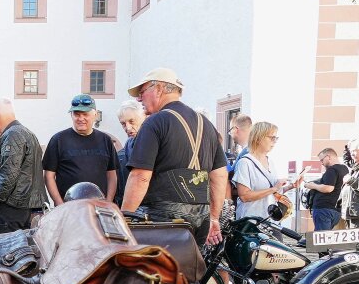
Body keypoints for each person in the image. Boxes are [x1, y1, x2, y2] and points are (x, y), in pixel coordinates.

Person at [123, 68, 228, 246]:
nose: (139, 99)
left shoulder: (155, 122)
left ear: (158, 89)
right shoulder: (207, 125)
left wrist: (123, 219)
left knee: (151, 273)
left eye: (142, 92)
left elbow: (140, 177)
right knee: (190, 273)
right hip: (200, 220)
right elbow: (219, 176)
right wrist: (214, 218)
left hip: (162, 221)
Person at [0, 98, 45, 234]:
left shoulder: (13, 134)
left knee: (2, 253)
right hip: (22, 209)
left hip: (9, 212)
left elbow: (8, 174)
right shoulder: (26, 133)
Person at [43, 94, 119, 204]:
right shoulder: (58, 140)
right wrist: (60, 204)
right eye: (77, 114)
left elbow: (112, 175)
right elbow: (49, 176)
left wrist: (108, 202)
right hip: (69, 208)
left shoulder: (106, 140)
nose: (81, 118)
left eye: (85, 114)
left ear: (95, 115)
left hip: (99, 209)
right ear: (71, 115)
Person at [232, 122, 295, 221]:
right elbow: (244, 196)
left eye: (276, 138)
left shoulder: (270, 161)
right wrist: (274, 188)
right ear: (258, 138)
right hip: (251, 222)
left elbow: (272, 191)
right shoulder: (245, 163)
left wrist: (290, 186)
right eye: (271, 138)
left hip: (269, 220)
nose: (274, 142)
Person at [302, 147, 350, 230]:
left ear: (328, 157)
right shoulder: (345, 169)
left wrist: (312, 186)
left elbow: (328, 188)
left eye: (322, 160)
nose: (321, 163)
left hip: (324, 209)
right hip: (336, 210)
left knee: (320, 239)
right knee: (327, 238)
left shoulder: (332, 170)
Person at [114, 100, 146, 206]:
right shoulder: (129, 143)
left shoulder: (151, 140)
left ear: (144, 117)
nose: (127, 128)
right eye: (123, 124)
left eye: (132, 121)